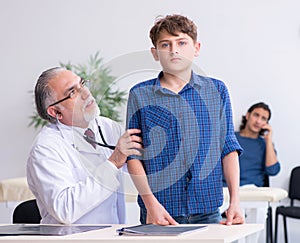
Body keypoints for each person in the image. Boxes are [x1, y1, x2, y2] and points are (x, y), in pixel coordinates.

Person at [126, 14, 244, 226]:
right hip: (158, 211)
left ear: (196, 48)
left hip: (208, 209)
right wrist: (151, 204)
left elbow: (228, 147)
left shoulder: (216, 90)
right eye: (165, 44)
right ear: (155, 53)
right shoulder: (139, 94)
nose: (174, 50)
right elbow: (133, 155)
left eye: (181, 42)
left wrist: (235, 201)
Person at [27, 67, 142, 224]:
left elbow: (140, 166)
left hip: (113, 235)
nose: (86, 94)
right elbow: (65, 209)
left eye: (82, 84)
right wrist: (114, 162)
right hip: (71, 239)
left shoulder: (108, 127)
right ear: (55, 112)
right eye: (72, 92)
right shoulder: (45, 149)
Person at [235, 102, 280, 187]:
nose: (258, 121)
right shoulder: (231, 139)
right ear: (248, 116)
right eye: (256, 115)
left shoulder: (265, 144)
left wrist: (268, 140)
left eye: (263, 118)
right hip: (228, 189)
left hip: (255, 192)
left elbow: (272, 171)